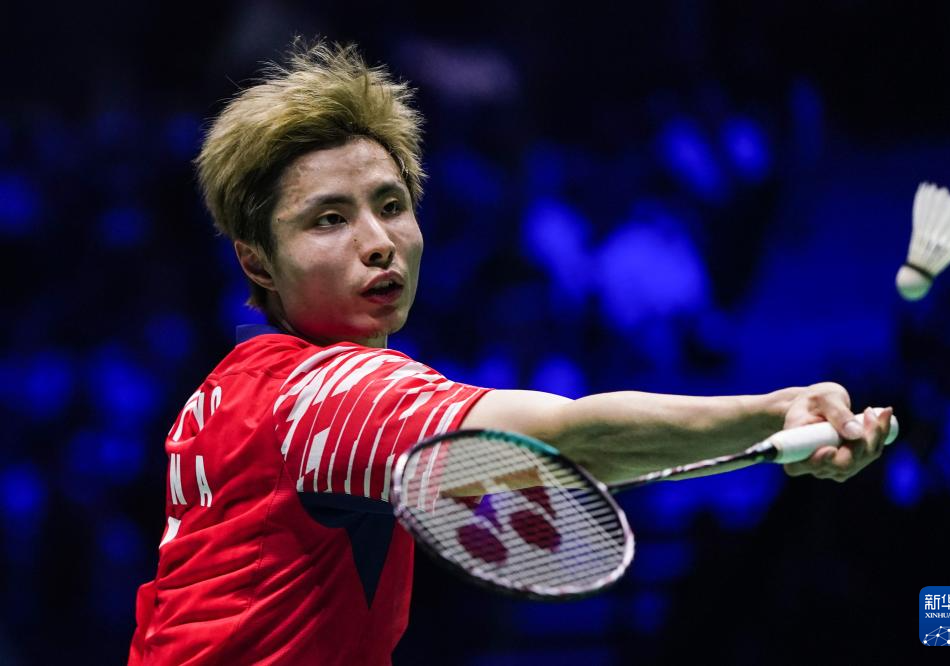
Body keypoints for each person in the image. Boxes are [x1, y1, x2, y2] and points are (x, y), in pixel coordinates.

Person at [128, 40, 893, 665]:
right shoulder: (333, 393)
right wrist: (770, 411)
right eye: (328, 220)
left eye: (391, 206)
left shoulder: (220, 396)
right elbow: (567, 439)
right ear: (256, 261)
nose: (378, 242)